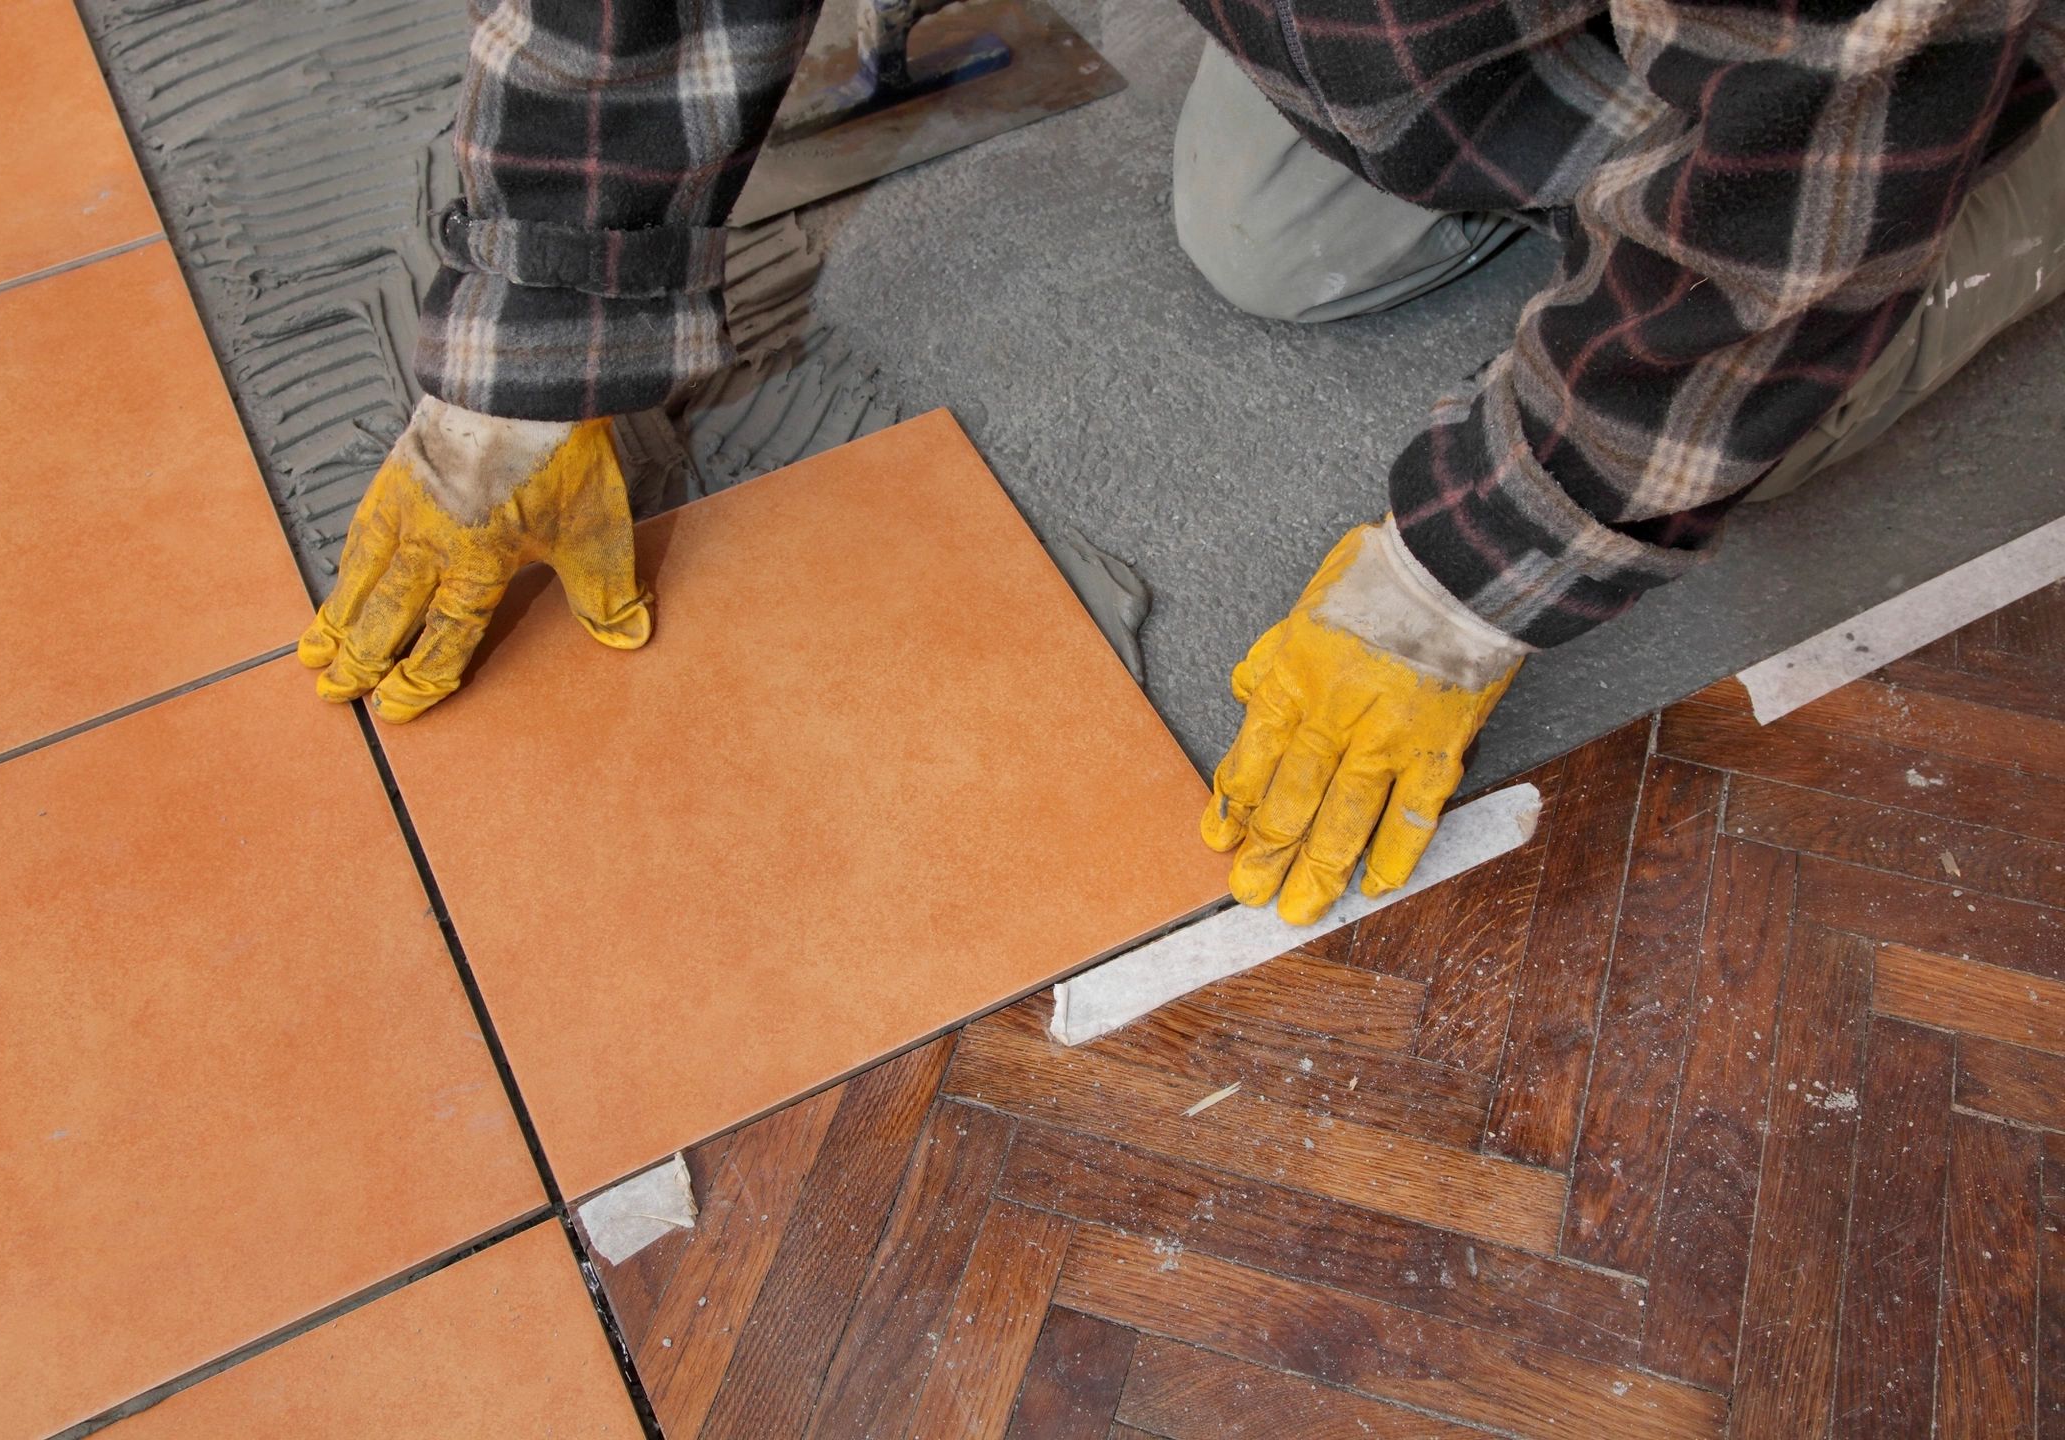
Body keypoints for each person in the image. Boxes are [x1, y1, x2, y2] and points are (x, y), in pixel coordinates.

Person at [298, 0, 2063, 927]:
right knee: (1270, 244)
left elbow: (1788, 208)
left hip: (1868, 76)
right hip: (1526, 42)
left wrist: (1475, 578)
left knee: (1776, 355)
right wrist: (530, 355)